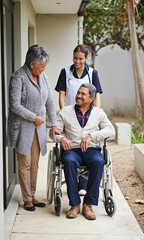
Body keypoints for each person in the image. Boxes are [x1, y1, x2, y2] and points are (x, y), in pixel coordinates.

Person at [7, 44, 60, 211]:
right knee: (25, 163)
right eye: (42, 66)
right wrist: (33, 117)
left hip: (38, 128)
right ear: (32, 64)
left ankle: (32, 194)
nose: (44, 69)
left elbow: (50, 102)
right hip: (23, 127)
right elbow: (14, 105)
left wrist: (54, 124)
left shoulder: (43, 77)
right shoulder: (18, 77)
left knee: (35, 163)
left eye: (45, 66)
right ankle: (27, 198)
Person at [54, 83, 115, 220]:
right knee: (68, 161)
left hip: (91, 150)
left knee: (99, 162)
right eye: (78, 93)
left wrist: (91, 136)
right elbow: (54, 132)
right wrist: (62, 138)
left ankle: (88, 204)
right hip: (72, 150)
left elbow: (111, 130)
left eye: (83, 94)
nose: (79, 96)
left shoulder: (98, 113)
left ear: (91, 98)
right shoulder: (65, 111)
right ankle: (75, 204)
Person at [55, 44, 103, 196]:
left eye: (80, 59)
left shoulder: (92, 73)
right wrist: (64, 113)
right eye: (75, 58)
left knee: (88, 149)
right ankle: (74, 185)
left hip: (87, 115)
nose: (77, 61)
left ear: (86, 58)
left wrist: (95, 113)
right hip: (70, 116)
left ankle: (83, 184)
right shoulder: (65, 72)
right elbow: (62, 94)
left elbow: (97, 96)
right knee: (72, 151)